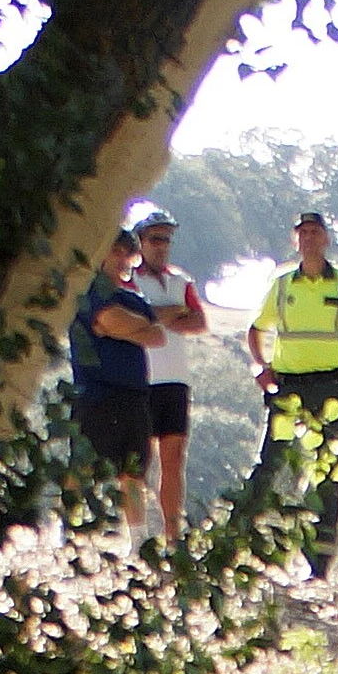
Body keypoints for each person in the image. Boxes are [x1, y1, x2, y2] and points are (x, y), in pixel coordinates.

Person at [240, 209, 338, 570]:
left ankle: (319, 565)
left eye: (315, 232)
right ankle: (237, 542)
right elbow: (255, 330)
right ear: (294, 239)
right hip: (288, 387)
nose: (309, 238)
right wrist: (260, 366)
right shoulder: (281, 285)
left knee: (328, 473)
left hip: (332, 387)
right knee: (270, 464)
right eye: (303, 232)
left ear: (326, 238)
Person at [67, 228, 168, 540]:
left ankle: (137, 540)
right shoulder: (87, 295)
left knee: (133, 473)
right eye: (117, 251)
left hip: (134, 398)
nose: (123, 259)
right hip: (96, 396)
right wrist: (129, 327)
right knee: (82, 469)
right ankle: (68, 531)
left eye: (129, 253)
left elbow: (157, 335)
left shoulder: (133, 298)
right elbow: (107, 321)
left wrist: (126, 328)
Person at [121, 201, 209, 543]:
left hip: (174, 379)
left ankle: (174, 535)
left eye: (166, 239)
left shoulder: (181, 279)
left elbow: (199, 321)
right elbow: (133, 318)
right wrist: (171, 313)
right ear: (140, 241)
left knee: (174, 460)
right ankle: (138, 538)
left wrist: (156, 314)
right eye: (155, 238)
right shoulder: (129, 281)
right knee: (136, 463)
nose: (161, 245)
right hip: (139, 379)